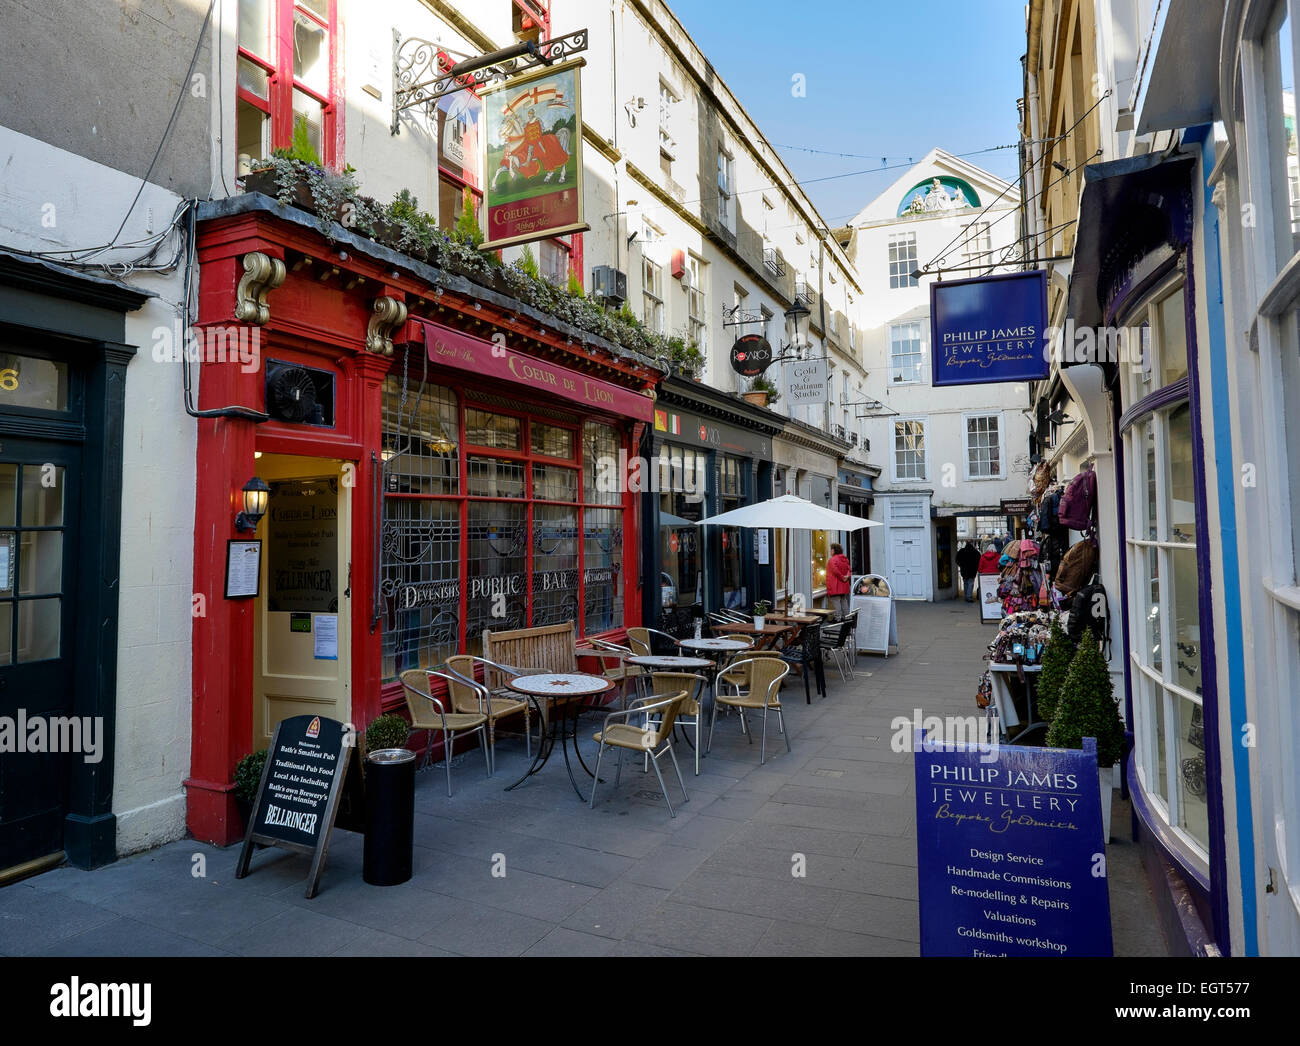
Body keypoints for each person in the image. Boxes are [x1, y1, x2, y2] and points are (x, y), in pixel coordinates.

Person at [826, 542, 852, 619]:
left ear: (833, 550)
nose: (830, 551)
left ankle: (838, 619)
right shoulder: (845, 559)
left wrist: (842, 577)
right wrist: (846, 577)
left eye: (831, 550)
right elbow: (849, 570)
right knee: (844, 601)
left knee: (836, 602)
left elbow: (835, 571)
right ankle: (847, 618)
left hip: (835, 586)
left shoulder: (832, 560)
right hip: (844, 586)